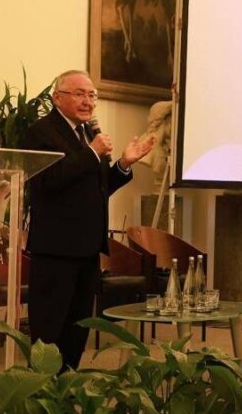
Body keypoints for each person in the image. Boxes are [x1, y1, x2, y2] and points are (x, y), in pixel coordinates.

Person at [23, 70, 154, 369]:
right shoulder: (41, 132)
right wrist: (93, 152)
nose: (88, 101)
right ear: (58, 98)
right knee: (50, 330)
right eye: (79, 94)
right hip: (56, 250)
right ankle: (42, 390)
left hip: (87, 249)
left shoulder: (86, 134)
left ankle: (68, 385)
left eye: (92, 95)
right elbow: (48, 181)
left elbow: (97, 188)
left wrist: (123, 164)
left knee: (77, 329)